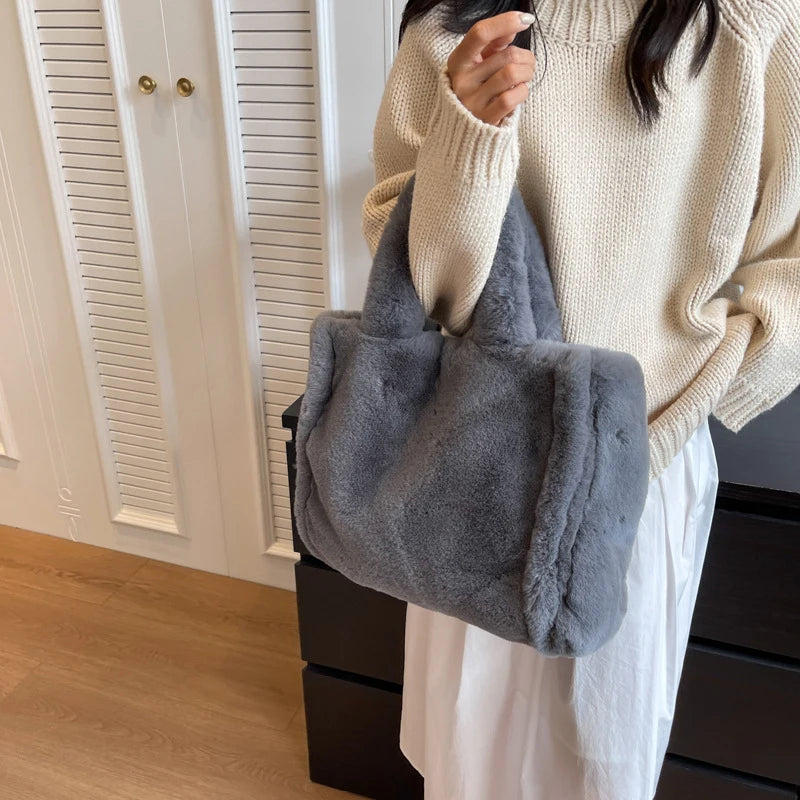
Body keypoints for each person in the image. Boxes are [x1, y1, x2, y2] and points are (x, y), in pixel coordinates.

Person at [360, 2, 800, 799]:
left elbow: (792, 257)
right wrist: (469, 135)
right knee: (468, 756)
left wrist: (713, 389)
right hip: (475, 449)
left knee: (600, 759)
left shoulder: (754, 23)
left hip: (644, 466)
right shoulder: (447, 23)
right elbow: (432, 293)